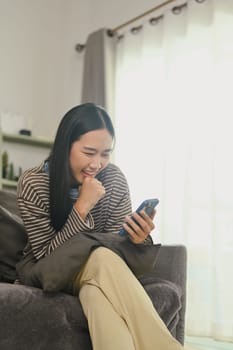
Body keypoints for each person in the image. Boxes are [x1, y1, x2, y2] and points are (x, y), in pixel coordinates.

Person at [16, 103, 193, 350]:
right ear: (65, 146)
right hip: (46, 271)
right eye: (89, 152)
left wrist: (137, 238)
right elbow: (46, 255)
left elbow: (115, 248)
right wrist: (82, 208)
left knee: (97, 296)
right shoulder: (34, 182)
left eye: (105, 153)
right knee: (100, 256)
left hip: (96, 273)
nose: (97, 164)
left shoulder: (113, 179)